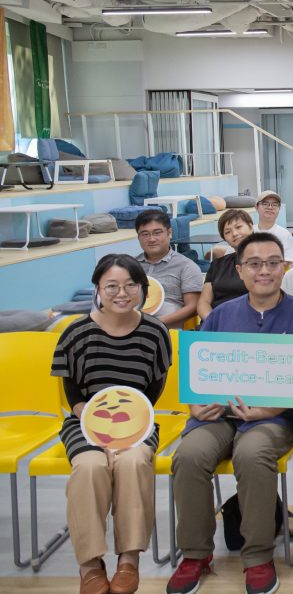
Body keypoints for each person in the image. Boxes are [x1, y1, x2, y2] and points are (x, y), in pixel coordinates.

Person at [167, 232, 293, 594]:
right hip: (220, 415)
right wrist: (194, 402)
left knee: (251, 455)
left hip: (276, 418)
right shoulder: (221, 315)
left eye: (272, 263)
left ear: (285, 267)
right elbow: (199, 370)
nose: (263, 271)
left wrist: (269, 408)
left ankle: (257, 557)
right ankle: (195, 553)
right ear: (239, 270)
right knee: (188, 455)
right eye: (254, 263)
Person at [54, 254, 171, 594]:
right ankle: (90, 566)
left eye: (130, 285)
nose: (122, 293)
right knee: (89, 467)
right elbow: (71, 387)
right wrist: (90, 420)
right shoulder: (76, 332)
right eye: (112, 286)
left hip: (136, 422)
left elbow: (155, 385)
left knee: (134, 462)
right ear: (98, 289)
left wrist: (132, 421)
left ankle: (128, 560)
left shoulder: (155, 332)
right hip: (83, 422)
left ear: (142, 288)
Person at [134, 209, 203, 327]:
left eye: (157, 233)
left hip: (167, 329)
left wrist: (156, 324)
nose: (151, 239)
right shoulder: (130, 265)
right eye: (145, 234)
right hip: (131, 322)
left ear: (169, 232)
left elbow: (193, 306)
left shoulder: (186, 266)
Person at [197, 209, 254, 320]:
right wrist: (213, 322)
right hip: (216, 324)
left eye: (238, 227)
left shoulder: (266, 262)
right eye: (227, 232)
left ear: (251, 227)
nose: (235, 234)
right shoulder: (217, 264)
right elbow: (204, 302)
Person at [252, 191, 293, 262]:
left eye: (275, 204)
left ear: (279, 209)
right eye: (265, 204)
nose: (270, 207)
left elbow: (286, 263)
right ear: (256, 207)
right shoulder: (249, 231)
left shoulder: (285, 235)